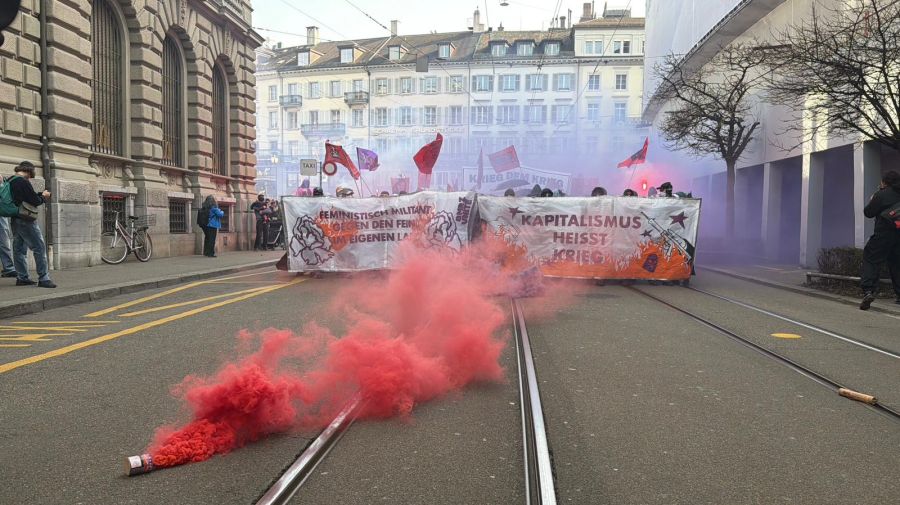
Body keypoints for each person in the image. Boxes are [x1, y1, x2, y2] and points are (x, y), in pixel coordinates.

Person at [9, 161, 54, 288]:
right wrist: (44, 196)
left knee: (19, 249)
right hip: (26, 219)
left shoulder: (12, 180)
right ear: (29, 170)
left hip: (15, 218)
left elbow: (24, 197)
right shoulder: (23, 181)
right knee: (39, 247)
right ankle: (44, 278)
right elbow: (34, 201)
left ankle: (22, 277)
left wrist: (38, 195)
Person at [860, 170, 900, 310]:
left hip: (883, 234)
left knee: (871, 258)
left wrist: (873, 199)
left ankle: (868, 291)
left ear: (884, 182)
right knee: (897, 264)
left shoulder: (881, 194)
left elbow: (868, 213)